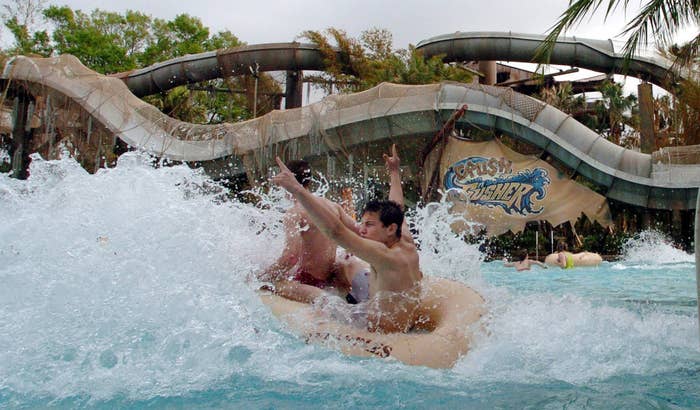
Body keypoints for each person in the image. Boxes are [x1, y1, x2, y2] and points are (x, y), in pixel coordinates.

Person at [271, 144, 423, 333]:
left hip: (383, 329)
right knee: (347, 263)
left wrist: (297, 190)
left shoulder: (383, 255)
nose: (362, 230)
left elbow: (336, 231)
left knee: (319, 302)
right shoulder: (404, 238)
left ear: (390, 228)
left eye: (369, 225)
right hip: (401, 312)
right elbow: (397, 206)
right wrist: (394, 172)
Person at [258, 159, 359, 303]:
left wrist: (264, 275)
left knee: (274, 284)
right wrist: (350, 250)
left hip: (309, 281)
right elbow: (359, 231)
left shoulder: (294, 213)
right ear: (309, 181)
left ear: (284, 184)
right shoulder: (333, 206)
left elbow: (291, 257)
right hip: (331, 277)